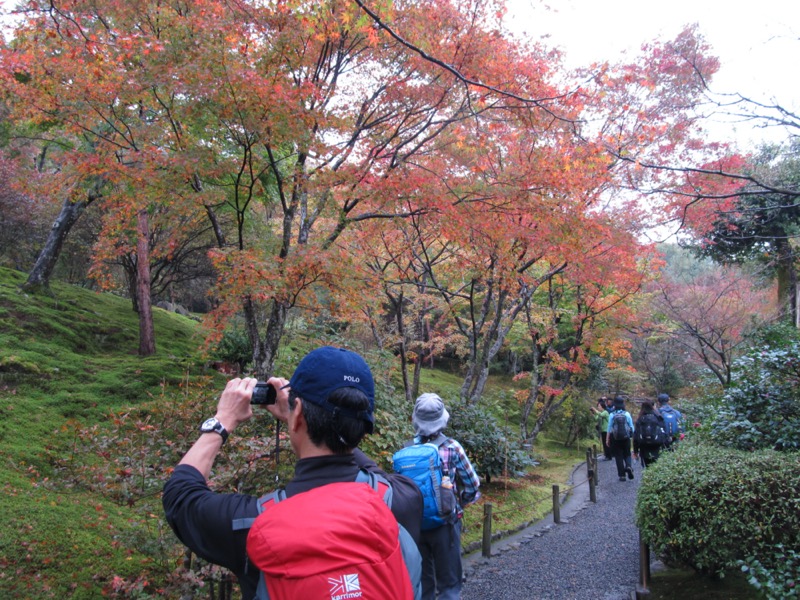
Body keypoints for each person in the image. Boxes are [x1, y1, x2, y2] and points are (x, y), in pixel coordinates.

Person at [162, 346, 423, 600]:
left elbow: (180, 495)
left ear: (297, 413)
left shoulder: (251, 524)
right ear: (365, 425)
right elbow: (367, 467)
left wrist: (223, 420)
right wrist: (302, 418)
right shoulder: (402, 498)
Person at [409, 393, 480, 600]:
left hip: (417, 527)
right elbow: (472, 486)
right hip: (446, 525)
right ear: (442, 419)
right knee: (449, 585)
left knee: (423, 584)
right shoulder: (452, 447)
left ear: (416, 419)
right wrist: (460, 505)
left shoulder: (406, 450)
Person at [606, 395, 635, 481]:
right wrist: (632, 437)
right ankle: (628, 466)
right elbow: (632, 427)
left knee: (618, 456)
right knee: (627, 453)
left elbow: (609, 428)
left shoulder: (612, 414)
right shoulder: (626, 414)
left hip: (616, 438)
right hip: (626, 438)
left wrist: (607, 439)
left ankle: (622, 475)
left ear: (615, 404)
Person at [633, 400, 667, 467]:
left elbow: (636, 435)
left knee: (648, 465)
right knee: (657, 465)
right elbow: (664, 431)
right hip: (657, 445)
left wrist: (635, 450)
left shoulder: (640, 419)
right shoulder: (658, 417)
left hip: (644, 446)